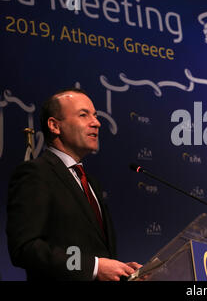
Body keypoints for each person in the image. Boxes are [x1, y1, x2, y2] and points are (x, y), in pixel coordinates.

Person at [7, 88, 141, 281]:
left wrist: (122, 272)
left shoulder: (90, 182)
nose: (96, 123)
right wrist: (94, 267)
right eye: (83, 115)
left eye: (95, 115)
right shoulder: (36, 174)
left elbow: (95, 250)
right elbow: (25, 248)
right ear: (54, 125)